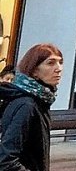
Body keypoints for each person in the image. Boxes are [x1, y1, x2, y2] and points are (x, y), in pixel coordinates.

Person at [0, 43, 63, 171]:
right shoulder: (27, 105)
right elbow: (6, 161)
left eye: (60, 62)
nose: (58, 68)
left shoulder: (40, 101)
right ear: (34, 71)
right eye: (51, 63)